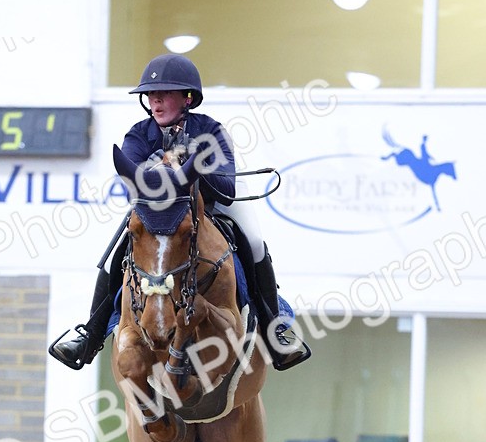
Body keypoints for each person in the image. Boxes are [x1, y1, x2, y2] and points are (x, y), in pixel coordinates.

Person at [48, 53, 310, 372]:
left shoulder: (212, 131)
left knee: (254, 242)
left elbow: (227, 188)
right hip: (158, 213)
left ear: (187, 98)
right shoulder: (138, 134)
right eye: (151, 96)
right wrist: (161, 165)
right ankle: (90, 334)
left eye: (164, 95)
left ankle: (275, 329)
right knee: (116, 251)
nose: (155, 102)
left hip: (213, 207)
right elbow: (135, 183)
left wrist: (193, 166)